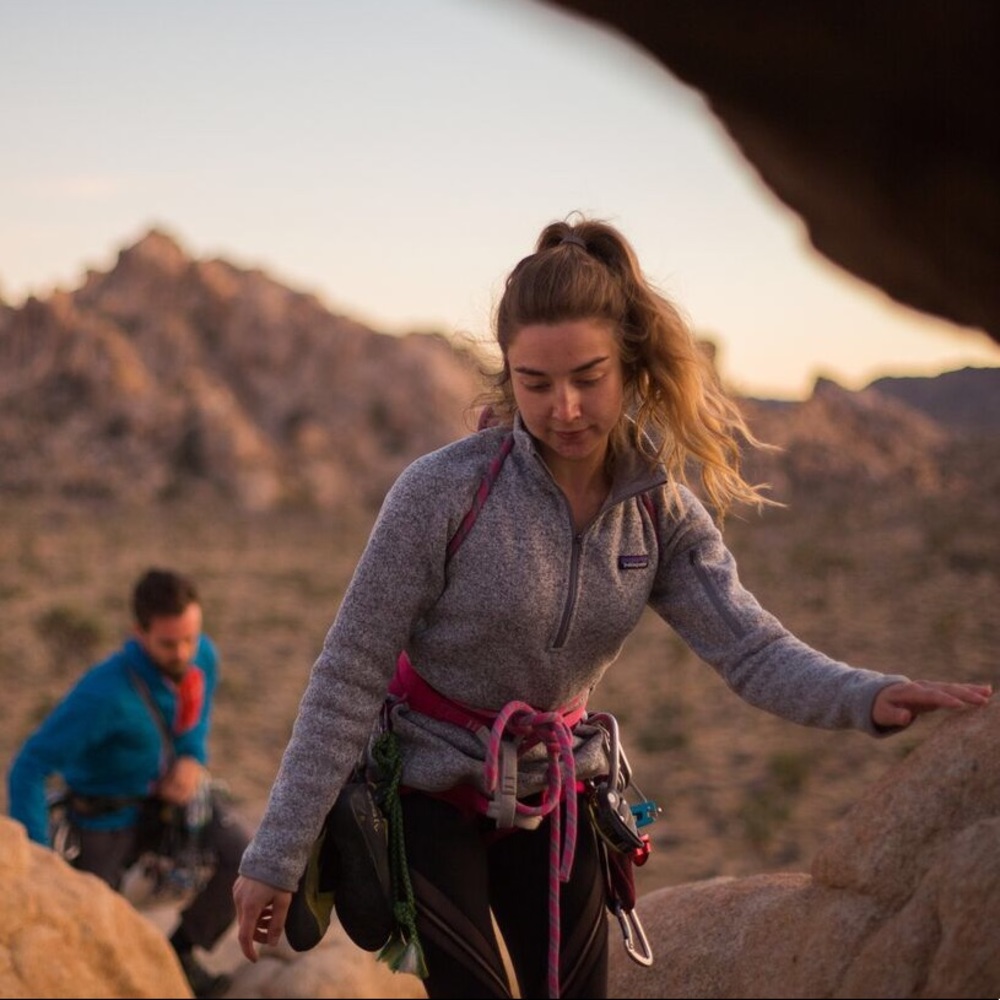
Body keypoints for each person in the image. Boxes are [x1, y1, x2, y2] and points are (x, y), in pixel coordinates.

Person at [232, 216, 992, 999]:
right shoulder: (443, 493)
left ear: (628, 365)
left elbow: (752, 649)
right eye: (535, 383)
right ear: (507, 374)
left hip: (557, 788)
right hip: (426, 788)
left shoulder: (658, 513)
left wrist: (869, 694)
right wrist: (275, 857)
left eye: (588, 377)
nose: (563, 408)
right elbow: (348, 675)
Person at [8, 568, 249, 999]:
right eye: (168, 643)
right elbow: (29, 766)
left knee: (247, 860)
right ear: (138, 633)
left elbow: (195, 716)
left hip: (170, 808)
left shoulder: (203, 657)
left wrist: (192, 757)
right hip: (106, 822)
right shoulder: (103, 695)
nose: (183, 653)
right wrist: (39, 867)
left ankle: (179, 956)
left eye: (190, 638)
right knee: (89, 933)